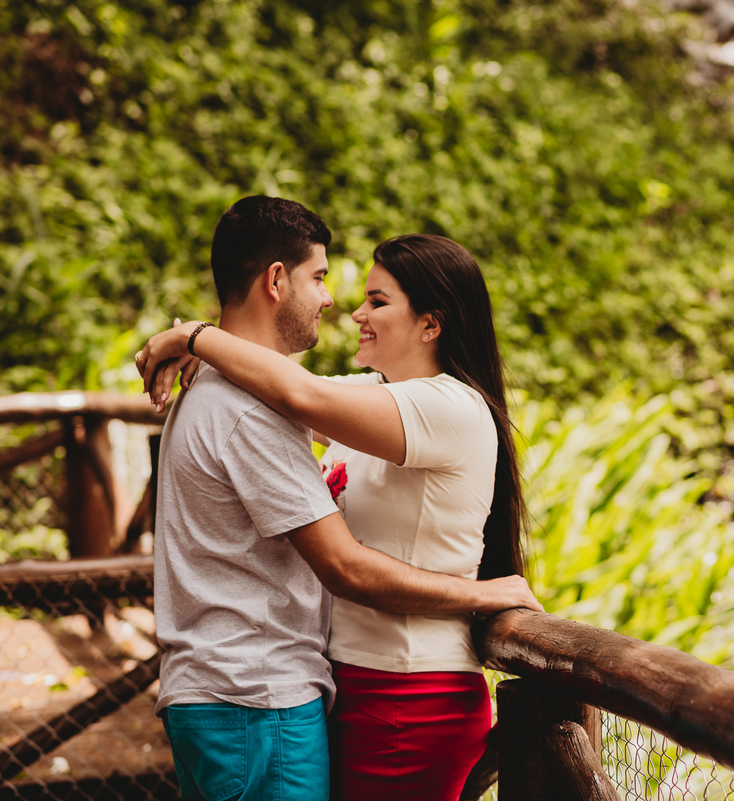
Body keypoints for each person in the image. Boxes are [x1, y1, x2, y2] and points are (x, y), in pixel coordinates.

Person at [138, 197, 541, 801]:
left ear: (431, 324)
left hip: (402, 686)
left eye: (377, 301)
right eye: (323, 279)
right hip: (290, 691)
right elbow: (289, 388)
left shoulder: (447, 405)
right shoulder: (350, 399)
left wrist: (194, 336)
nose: (346, 307)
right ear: (277, 280)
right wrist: (200, 343)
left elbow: (298, 395)